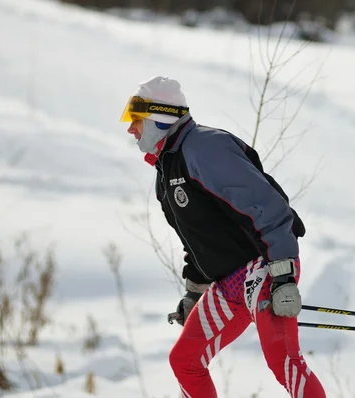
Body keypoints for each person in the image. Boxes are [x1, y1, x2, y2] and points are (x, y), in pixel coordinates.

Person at [120, 76, 326, 398]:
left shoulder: (204, 146)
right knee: (185, 360)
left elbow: (266, 206)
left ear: (161, 118)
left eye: (136, 121)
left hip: (264, 266)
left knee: (283, 361)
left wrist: (283, 274)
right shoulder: (167, 170)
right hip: (229, 283)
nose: (131, 130)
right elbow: (198, 241)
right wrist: (194, 293)